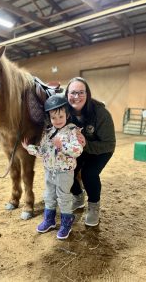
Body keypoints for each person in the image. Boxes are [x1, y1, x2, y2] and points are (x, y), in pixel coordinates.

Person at [22, 95, 83, 240]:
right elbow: (43, 151)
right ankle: (49, 220)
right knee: (49, 195)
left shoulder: (72, 131)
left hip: (64, 172)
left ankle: (66, 222)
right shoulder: (48, 132)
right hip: (50, 171)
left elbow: (78, 150)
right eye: (53, 117)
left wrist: (63, 146)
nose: (57, 120)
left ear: (67, 115)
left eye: (60, 116)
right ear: (49, 118)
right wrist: (30, 148)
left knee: (63, 197)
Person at [65, 77, 116, 227]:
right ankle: (78, 196)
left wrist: (86, 144)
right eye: (73, 92)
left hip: (101, 149)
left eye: (81, 92)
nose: (77, 97)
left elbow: (109, 143)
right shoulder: (64, 110)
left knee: (89, 173)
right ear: (67, 94)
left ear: (87, 94)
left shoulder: (100, 113)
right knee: (68, 170)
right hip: (79, 149)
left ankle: (94, 206)